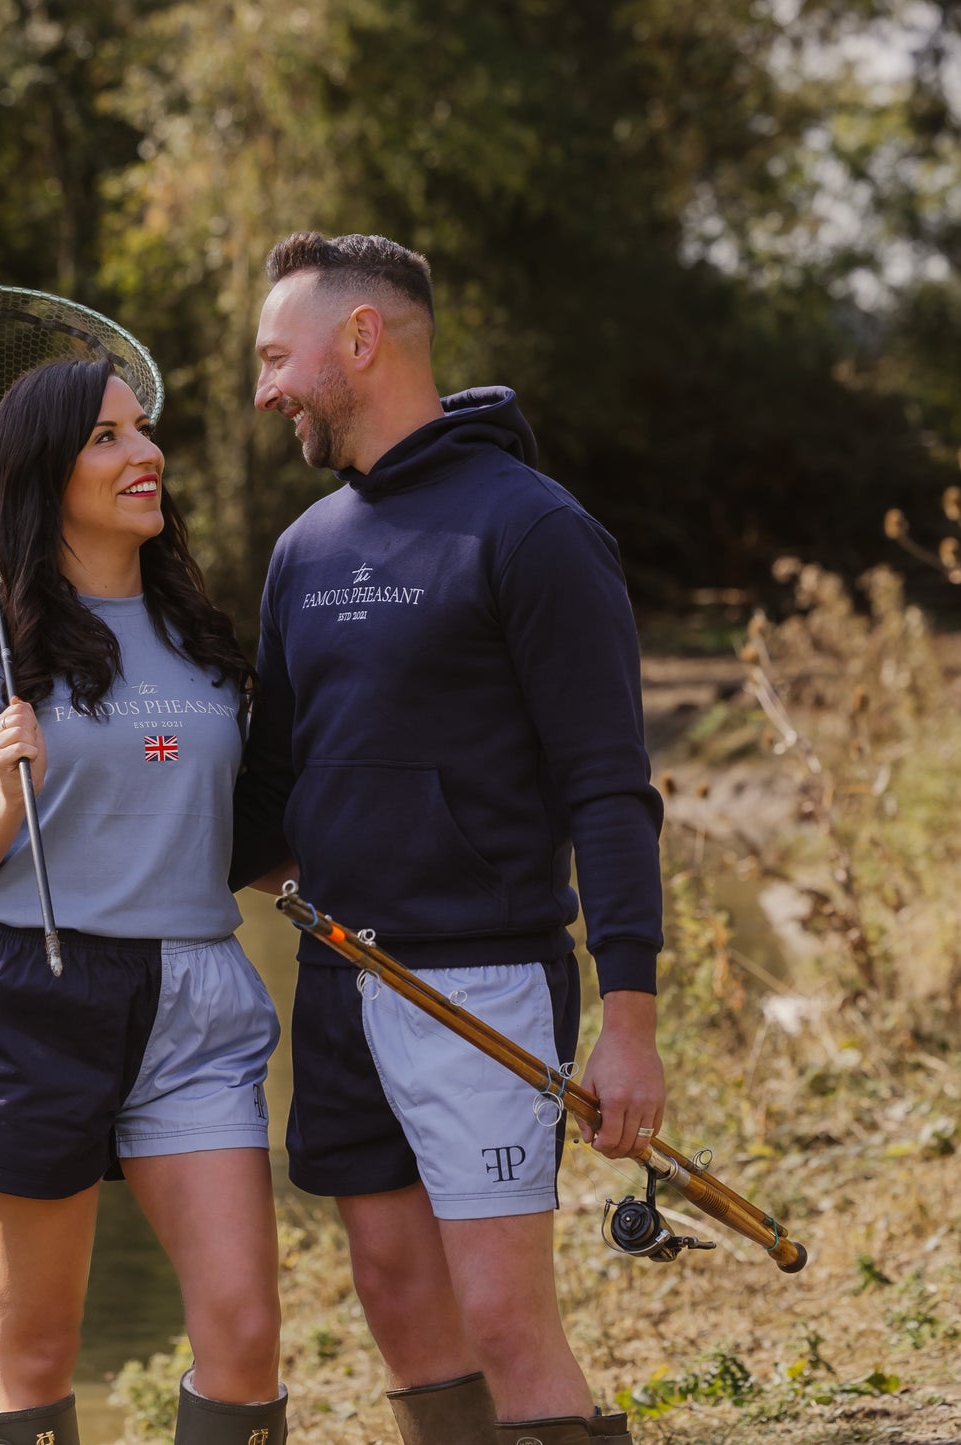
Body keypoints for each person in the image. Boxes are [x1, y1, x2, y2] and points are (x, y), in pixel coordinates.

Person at [231, 232, 666, 1445]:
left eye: (277, 356)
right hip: (339, 977)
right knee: (395, 1294)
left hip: (483, 978)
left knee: (503, 1317)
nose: (264, 389)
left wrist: (627, 1019)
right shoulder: (302, 550)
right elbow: (269, 788)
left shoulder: (532, 530)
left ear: (360, 340)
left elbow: (608, 787)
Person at [0, 357, 289, 1445]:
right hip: (42, 990)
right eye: (108, 437)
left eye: (143, 431)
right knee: (33, 1352)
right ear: (45, 472)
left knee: (246, 1330)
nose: (144, 454)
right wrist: (6, 801)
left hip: (199, 995)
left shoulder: (203, 638)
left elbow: (228, 837)